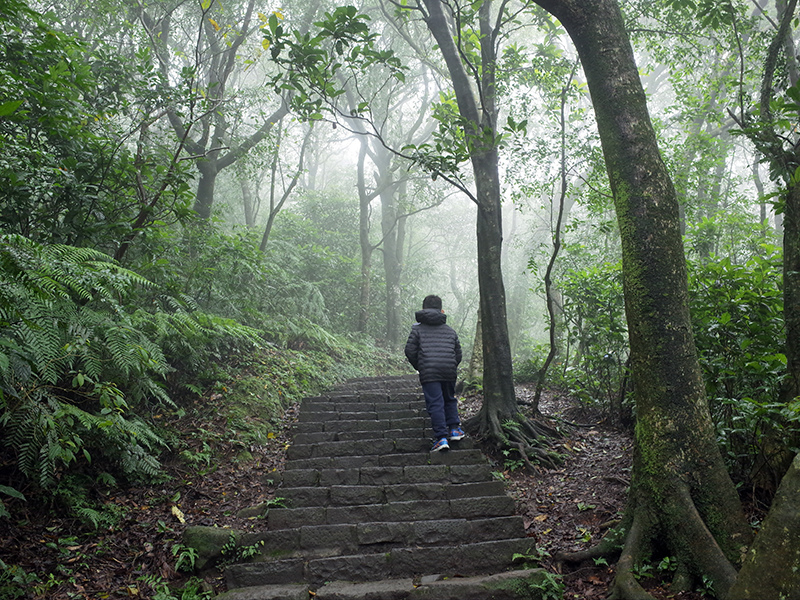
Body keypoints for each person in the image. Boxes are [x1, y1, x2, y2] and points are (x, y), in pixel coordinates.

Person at [404, 294, 465, 452]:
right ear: (441, 310)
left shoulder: (417, 330)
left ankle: (441, 438)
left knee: (435, 403)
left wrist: (421, 365)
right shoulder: (450, 331)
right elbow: (458, 353)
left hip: (429, 372)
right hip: (449, 370)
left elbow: (410, 350)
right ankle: (454, 429)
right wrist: (451, 365)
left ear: (423, 309)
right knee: (449, 399)